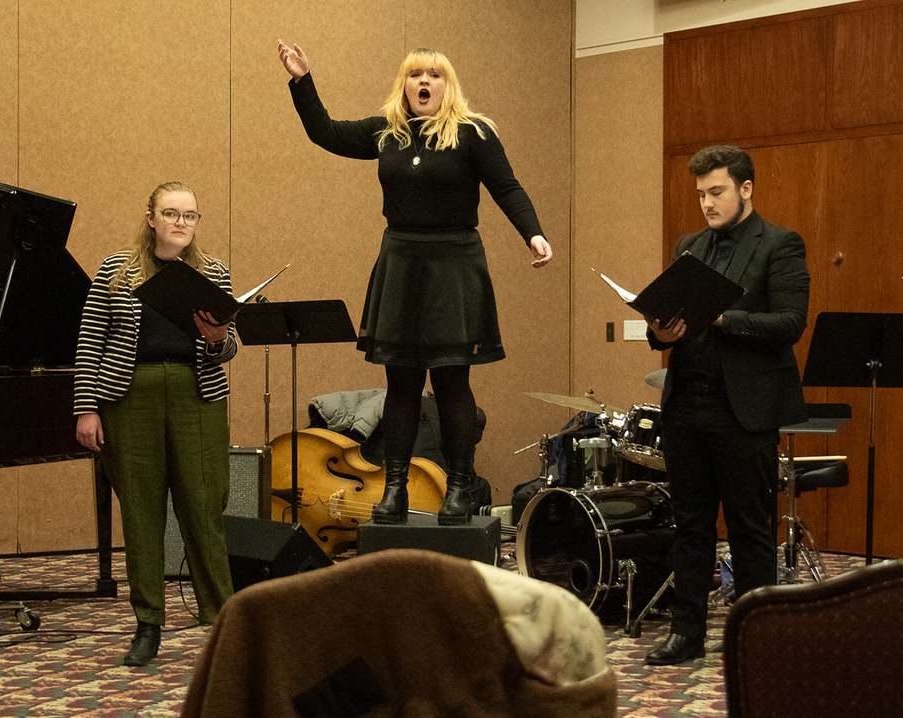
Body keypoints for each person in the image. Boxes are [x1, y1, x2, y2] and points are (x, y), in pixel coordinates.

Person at [277, 41, 552, 525]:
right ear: (403, 84)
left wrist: (533, 234)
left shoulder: (473, 132)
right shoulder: (388, 132)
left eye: (434, 75)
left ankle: (460, 487)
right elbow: (325, 133)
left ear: (448, 85)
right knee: (400, 381)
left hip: (454, 262)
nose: (424, 82)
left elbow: (507, 187)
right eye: (415, 75)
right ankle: (397, 487)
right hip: (401, 259)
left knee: (451, 379)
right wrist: (302, 81)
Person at [643, 145, 809, 665]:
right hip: (686, 405)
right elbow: (671, 323)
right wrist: (660, 331)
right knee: (690, 524)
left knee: (748, 527)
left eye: (716, 192)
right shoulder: (689, 245)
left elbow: (789, 323)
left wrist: (721, 319)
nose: (707, 204)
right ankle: (686, 632)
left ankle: (756, 636)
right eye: (700, 194)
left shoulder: (779, 244)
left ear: (746, 189)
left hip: (744, 408)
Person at [73, 181, 238, 667]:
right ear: (151, 218)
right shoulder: (115, 270)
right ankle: (148, 623)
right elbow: (88, 344)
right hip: (130, 396)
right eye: (171, 213)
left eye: (190, 215)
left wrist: (216, 338)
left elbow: (230, 348)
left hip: (197, 396)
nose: (181, 223)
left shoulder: (213, 273)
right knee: (142, 512)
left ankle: (221, 617)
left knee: (204, 506)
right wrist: (86, 409)